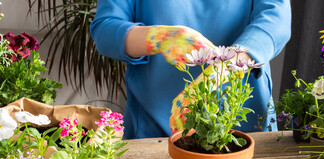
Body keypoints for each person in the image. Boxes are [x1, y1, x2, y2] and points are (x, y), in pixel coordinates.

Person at [90, 1, 291, 139]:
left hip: (246, 125)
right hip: (155, 128)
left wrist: (221, 71)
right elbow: (105, 29)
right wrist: (161, 37)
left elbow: (276, 21)